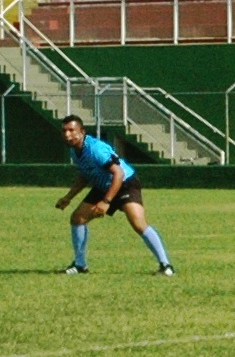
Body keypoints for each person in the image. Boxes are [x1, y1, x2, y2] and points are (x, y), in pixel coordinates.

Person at [54, 113, 172, 275]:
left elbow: (118, 173)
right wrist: (68, 197)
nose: (67, 134)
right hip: (104, 185)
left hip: (125, 184)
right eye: (64, 131)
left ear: (82, 132)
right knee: (78, 218)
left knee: (138, 223)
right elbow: (84, 175)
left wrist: (106, 201)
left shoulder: (95, 148)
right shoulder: (75, 150)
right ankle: (80, 265)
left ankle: (166, 266)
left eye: (71, 130)